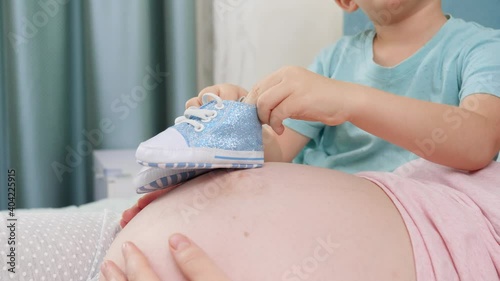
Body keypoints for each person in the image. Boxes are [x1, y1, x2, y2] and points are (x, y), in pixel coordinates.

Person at [104, 0, 500, 279]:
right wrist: (242, 122)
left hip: (383, 231)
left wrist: (351, 100)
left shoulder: (480, 48)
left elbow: (479, 140)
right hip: (313, 218)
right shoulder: (334, 60)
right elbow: (278, 153)